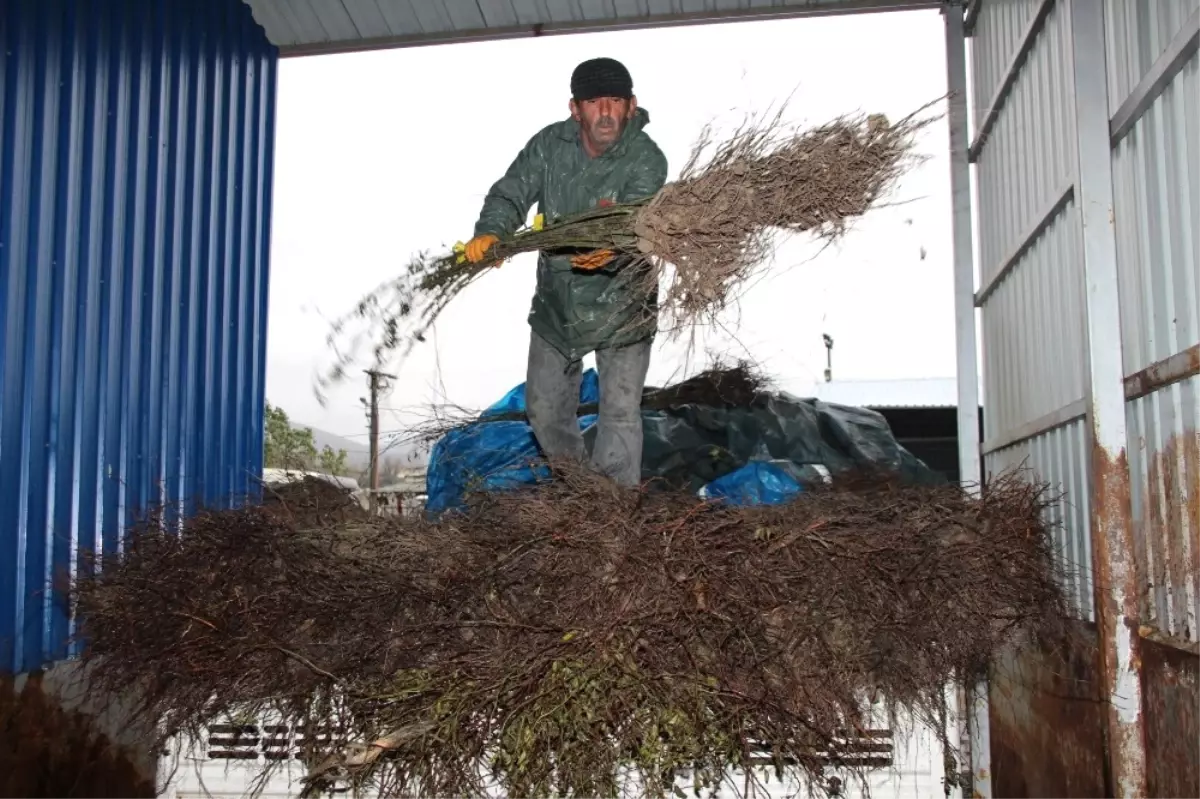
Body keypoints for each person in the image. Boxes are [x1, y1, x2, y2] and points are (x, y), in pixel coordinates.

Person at [461, 57, 668, 487]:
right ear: (576, 109)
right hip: (557, 305)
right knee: (545, 409)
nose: (606, 113)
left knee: (619, 414)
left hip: (623, 305)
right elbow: (511, 192)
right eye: (595, 102)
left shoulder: (647, 160)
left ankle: (613, 515)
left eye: (615, 101)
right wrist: (491, 232)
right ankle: (582, 492)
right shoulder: (548, 147)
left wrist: (612, 251)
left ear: (632, 106)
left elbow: (634, 223)